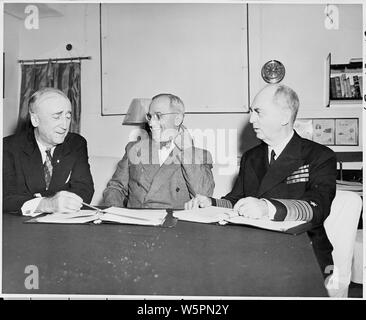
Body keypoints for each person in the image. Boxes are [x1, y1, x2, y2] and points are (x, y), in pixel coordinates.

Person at [185, 84, 337, 274]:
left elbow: (317, 208)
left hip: (303, 252)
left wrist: (267, 207)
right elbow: (236, 200)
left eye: (258, 112)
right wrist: (211, 203)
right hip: (254, 248)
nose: (251, 119)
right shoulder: (251, 157)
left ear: (285, 116)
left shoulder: (320, 156)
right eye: (251, 112)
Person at [103, 93, 215, 209]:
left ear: (177, 119)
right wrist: (115, 213)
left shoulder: (201, 155)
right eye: (150, 117)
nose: (151, 123)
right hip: (135, 222)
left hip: (174, 224)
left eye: (158, 116)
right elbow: (115, 188)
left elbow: (203, 195)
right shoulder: (134, 148)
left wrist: (187, 151)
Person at [3, 88, 94, 215]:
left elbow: (84, 189)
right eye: (57, 117)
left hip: (63, 223)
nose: (64, 125)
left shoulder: (76, 143)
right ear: (35, 120)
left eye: (68, 116)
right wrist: (47, 204)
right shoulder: (8, 147)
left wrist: (35, 198)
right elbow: (5, 198)